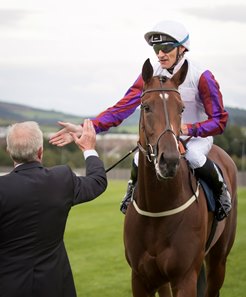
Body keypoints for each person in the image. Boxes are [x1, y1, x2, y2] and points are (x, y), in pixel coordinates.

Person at [49, 20, 231, 221]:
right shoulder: (152, 71)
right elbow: (124, 106)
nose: (160, 54)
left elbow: (219, 121)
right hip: (164, 135)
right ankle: (131, 191)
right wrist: (86, 128)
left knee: (194, 157)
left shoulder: (202, 76)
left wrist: (187, 128)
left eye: (165, 48)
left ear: (182, 48)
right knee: (138, 158)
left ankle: (221, 192)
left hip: (196, 136)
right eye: (156, 48)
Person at [0, 120, 107, 297]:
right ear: (40, 151)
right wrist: (88, 148)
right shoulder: (62, 178)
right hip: (56, 285)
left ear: (10, 152)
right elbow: (97, 182)